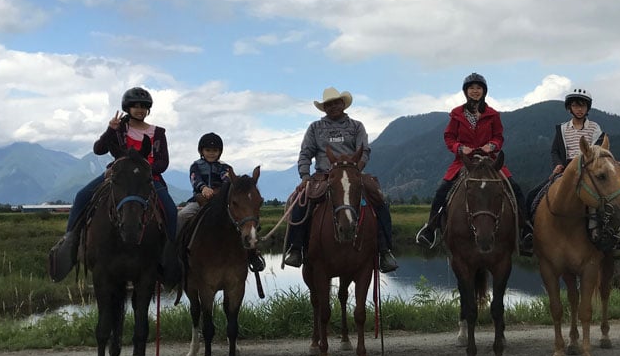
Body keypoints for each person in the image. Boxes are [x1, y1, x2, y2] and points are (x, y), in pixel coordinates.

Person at [47, 87, 179, 281]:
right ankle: (70, 242)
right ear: (127, 108)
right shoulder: (119, 128)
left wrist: (143, 168)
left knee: (171, 209)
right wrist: (110, 130)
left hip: (147, 178)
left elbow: (163, 162)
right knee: (82, 196)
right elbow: (98, 149)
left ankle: (169, 256)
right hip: (117, 175)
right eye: (135, 106)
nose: (140, 109)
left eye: (143, 106)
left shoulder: (157, 133)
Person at [282, 87, 398, 273]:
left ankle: (385, 251)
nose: (333, 106)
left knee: (378, 200)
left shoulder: (356, 126)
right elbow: (305, 154)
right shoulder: (315, 128)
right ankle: (295, 248)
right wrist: (305, 177)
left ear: (343, 104)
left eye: (336, 103)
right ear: (324, 108)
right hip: (324, 175)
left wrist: (354, 171)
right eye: (329, 104)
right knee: (301, 203)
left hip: (352, 173)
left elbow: (364, 151)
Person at [415, 73, 527, 249]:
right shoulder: (457, 114)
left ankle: (524, 229)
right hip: (464, 161)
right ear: (466, 91)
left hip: (489, 160)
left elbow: (498, 137)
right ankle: (431, 229)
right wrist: (460, 148)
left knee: (516, 189)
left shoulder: (492, 114)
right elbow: (449, 137)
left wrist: (491, 146)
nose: (475, 91)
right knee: (442, 191)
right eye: (471, 88)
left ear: (484, 91)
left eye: (478, 88)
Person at [521, 87, 606, 253]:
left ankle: (613, 235)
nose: (579, 109)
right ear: (569, 108)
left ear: (587, 108)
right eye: (575, 105)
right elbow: (555, 151)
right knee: (533, 195)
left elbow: (599, 150)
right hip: (566, 169)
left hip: (589, 169)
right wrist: (557, 164)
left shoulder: (595, 128)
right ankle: (529, 233)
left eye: (582, 106)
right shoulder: (562, 128)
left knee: (608, 196)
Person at [176, 132, 265, 273]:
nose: (211, 153)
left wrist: (219, 191)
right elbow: (195, 179)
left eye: (215, 150)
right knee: (182, 216)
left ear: (220, 152)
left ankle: (252, 254)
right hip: (200, 200)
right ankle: (177, 251)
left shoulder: (225, 168)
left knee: (241, 222)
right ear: (201, 151)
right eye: (208, 150)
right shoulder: (196, 166)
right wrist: (203, 188)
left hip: (220, 202)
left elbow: (227, 180)